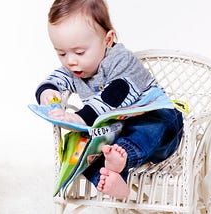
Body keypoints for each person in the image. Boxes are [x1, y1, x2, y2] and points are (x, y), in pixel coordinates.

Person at [35, 0, 183, 199]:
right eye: (61, 53)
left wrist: (81, 117)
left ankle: (124, 156)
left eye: (79, 52)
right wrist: (48, 93)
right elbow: (55, 79)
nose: (70, 61)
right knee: (83, 154)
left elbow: (116, 94)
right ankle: (113, 180)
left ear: (107, 39)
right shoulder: (75, 68)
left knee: (151, 125)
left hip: (159, 126)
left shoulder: (122, 60)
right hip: (116, 132)